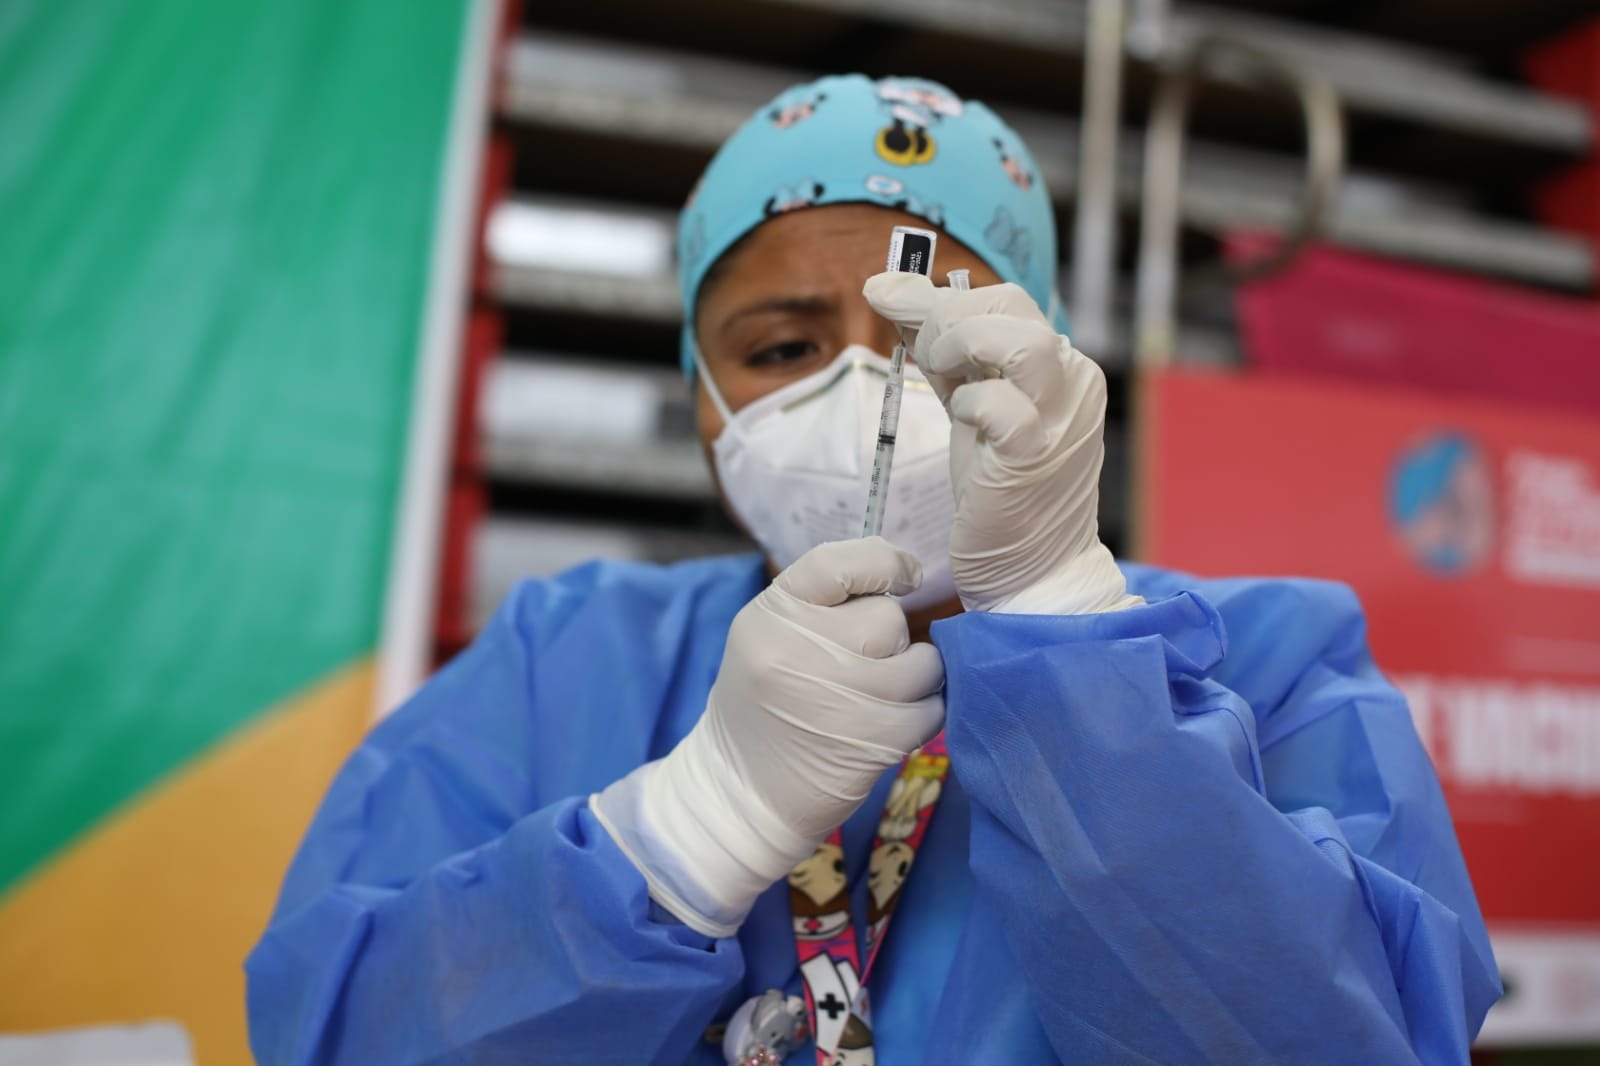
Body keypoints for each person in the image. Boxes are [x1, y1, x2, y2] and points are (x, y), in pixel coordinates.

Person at [246, 74, 1500, 1065]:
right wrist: (683, 831)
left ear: (1047, 362)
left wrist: (1067, 641)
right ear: (700, 398)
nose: (864, 390)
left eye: (922, 336)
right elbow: (337, 1032)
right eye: (780, 347)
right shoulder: (564, 659)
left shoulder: (1267, 664)